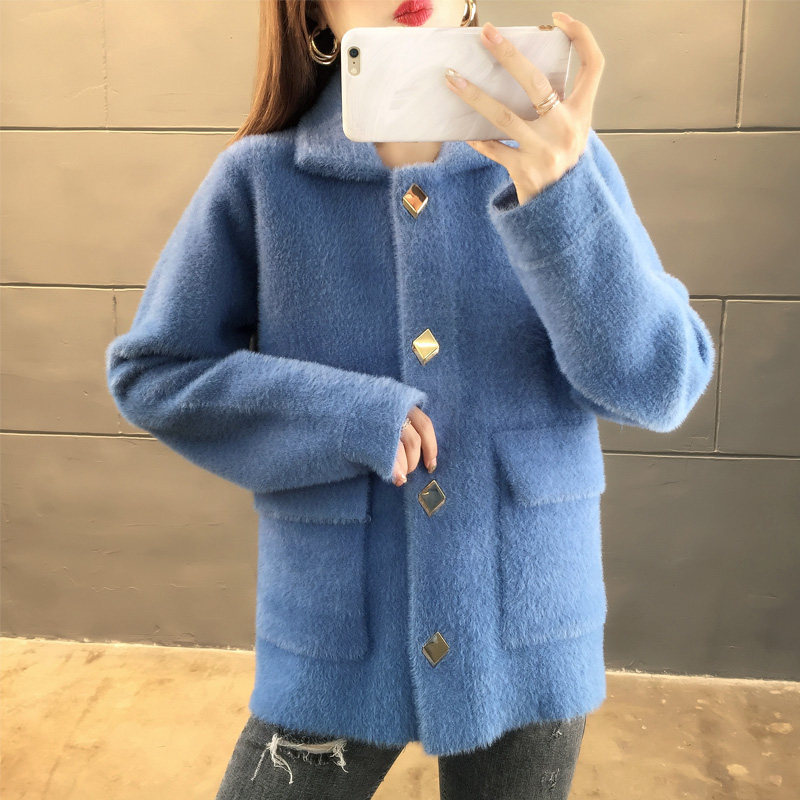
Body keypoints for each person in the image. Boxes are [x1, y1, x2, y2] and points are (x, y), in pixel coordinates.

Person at [105, 1, 716, 798]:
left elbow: (663, 385)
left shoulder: (559, 159)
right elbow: (156, 372)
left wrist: (563, 202)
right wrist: (345, 415)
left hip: (529, 625)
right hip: (337, 636)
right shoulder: (261, 178)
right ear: (313, 10)